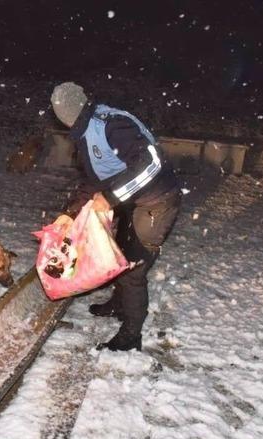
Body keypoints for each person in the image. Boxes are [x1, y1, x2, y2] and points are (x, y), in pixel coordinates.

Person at [51, 81, 181, 351]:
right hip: (133, 201)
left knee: (133, 268)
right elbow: (94, 180)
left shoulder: (111, 125)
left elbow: (151, 162)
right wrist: (70, 213)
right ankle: (119, 304)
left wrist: (110, 197)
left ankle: (131, 335)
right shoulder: (86, 131)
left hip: (158, 201)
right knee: (118, 254)